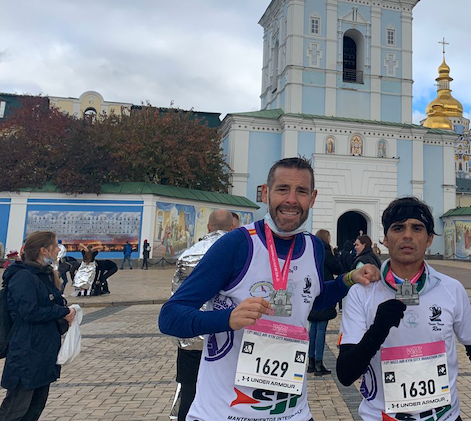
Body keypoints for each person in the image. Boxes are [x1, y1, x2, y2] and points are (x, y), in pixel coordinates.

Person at [158, 157, 380, 421]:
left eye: (301, 191)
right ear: (266, 192)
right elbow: (170, 316)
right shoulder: (237, 245)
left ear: (313, 198)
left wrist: (348, 279)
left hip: (292, 412)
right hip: (224, 413)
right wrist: (227, 319)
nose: (291, 200)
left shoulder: (313, 247)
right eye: (282, 189)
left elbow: (312, 301)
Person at [337, 197, 471, 421]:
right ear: (385, 238)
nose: (407, 235)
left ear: (429, 239)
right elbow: (346, 374)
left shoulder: (451, 289)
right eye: (398, 228)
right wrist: (378, 330)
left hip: (445, 417)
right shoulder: (361, 293)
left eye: (417, 228)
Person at [0, 231, 76, 421]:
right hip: (27, 352)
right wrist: (62, 313)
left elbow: (53, 304)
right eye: (55, 246)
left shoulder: (45, 275)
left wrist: (64, 310)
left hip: (43, 352)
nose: (58, 250)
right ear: (43, 250)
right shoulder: (23, 277)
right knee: (16, 410)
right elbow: (28, 312)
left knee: (34, 408)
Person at [170, 209, 236, 421]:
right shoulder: (238, 251)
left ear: (208, 227)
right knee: (227, 394)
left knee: (189, 391)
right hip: (227, 336)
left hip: (192, 337)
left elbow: (176, 298)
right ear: (233, 227)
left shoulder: (188, 254)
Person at [307, 229, 343, 376]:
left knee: (313, 329)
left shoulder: (310, 252)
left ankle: (310, 361)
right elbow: (338, 268)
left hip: (311, 292)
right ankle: (319, 363)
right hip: (324, 293)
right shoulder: (326, 253)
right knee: (321, 329)